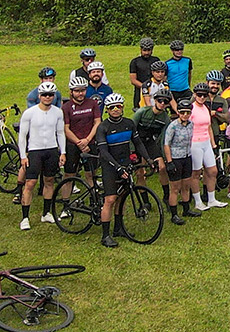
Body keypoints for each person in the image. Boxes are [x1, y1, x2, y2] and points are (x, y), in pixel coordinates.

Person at [95, 93, 141, 246]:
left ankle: (118, 229)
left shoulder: (129, 123)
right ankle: (105, 236)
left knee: (122, 197)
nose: (115, 109)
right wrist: (118, 167)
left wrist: (148, 160)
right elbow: (104, 152)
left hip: (125, 164)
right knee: (110, 199)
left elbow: (138, 143)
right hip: (110, 165)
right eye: (111, 107)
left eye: (118, 106)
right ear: (107, 110)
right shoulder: (103, 127)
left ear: (123, 107)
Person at [17, 81, 65, 231]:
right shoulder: (30, 113)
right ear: (39, 96)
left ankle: (46, 213)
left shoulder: (58, 112)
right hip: (35, 150)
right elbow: (23, 136)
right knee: (30, 183)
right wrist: (23, 156)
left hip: (51, 150)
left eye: (51, 95)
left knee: (49, 181)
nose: (47, 97)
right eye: (44, 95)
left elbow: (60, 133)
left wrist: (62, 152)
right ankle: (25, 217)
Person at [162, 98, 200, 224]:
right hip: (175, 158)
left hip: (187, 156)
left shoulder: (191, 124)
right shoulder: (173, 126)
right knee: (175, 187)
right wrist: (169, 161)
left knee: (186, 185)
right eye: (182, 112)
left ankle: (186, 209)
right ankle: (174, 214)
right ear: (178, 112)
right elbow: (166, 144)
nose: (185, 115)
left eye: (188, 113)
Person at [61, 75, 100, 192]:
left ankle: (94, 200)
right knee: (69, 175)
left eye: (82, 90)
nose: (80, 93)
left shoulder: (92, 103)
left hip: (90, 142)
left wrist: (87, 140)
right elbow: (66, 128)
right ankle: (65, 204)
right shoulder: (66, 107)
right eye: (77, 91)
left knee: (91, 174)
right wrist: (79, 143)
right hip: (72, 145)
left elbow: (97, 122)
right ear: (71, 92)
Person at [133, 88, 174, 202]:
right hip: (137, 142)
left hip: (149, 142)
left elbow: (163, 139)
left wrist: (165, 158)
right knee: (140, 173)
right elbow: (131, 129)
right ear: (155, 100)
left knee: (162, 167)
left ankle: (166, 196)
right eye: (160, 100)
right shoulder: (142, 112)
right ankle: (145, 201)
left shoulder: (165, 118)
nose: (162, 103)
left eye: (165, 102)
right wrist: (131, 150)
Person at [128, 37, 161, 108]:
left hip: (155, 91)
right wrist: (145, 87)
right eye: (144, 50)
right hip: (139, 92)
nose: (146, 53)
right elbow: (133, 80)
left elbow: (161, 76)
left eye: (149, 50)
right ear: (140, 49)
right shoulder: (135, 62)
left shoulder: (156, 60)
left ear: (152, 50)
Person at [166, 40, 193, 106]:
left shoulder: (188, 60)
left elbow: (189, 74)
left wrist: (188, 85)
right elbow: (164, 78)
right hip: (173, 91)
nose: (179, 51)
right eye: (177, 50)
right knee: (174, 113)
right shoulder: (167, 63)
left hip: (185, 90)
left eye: (181, 49)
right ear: (172, 51)